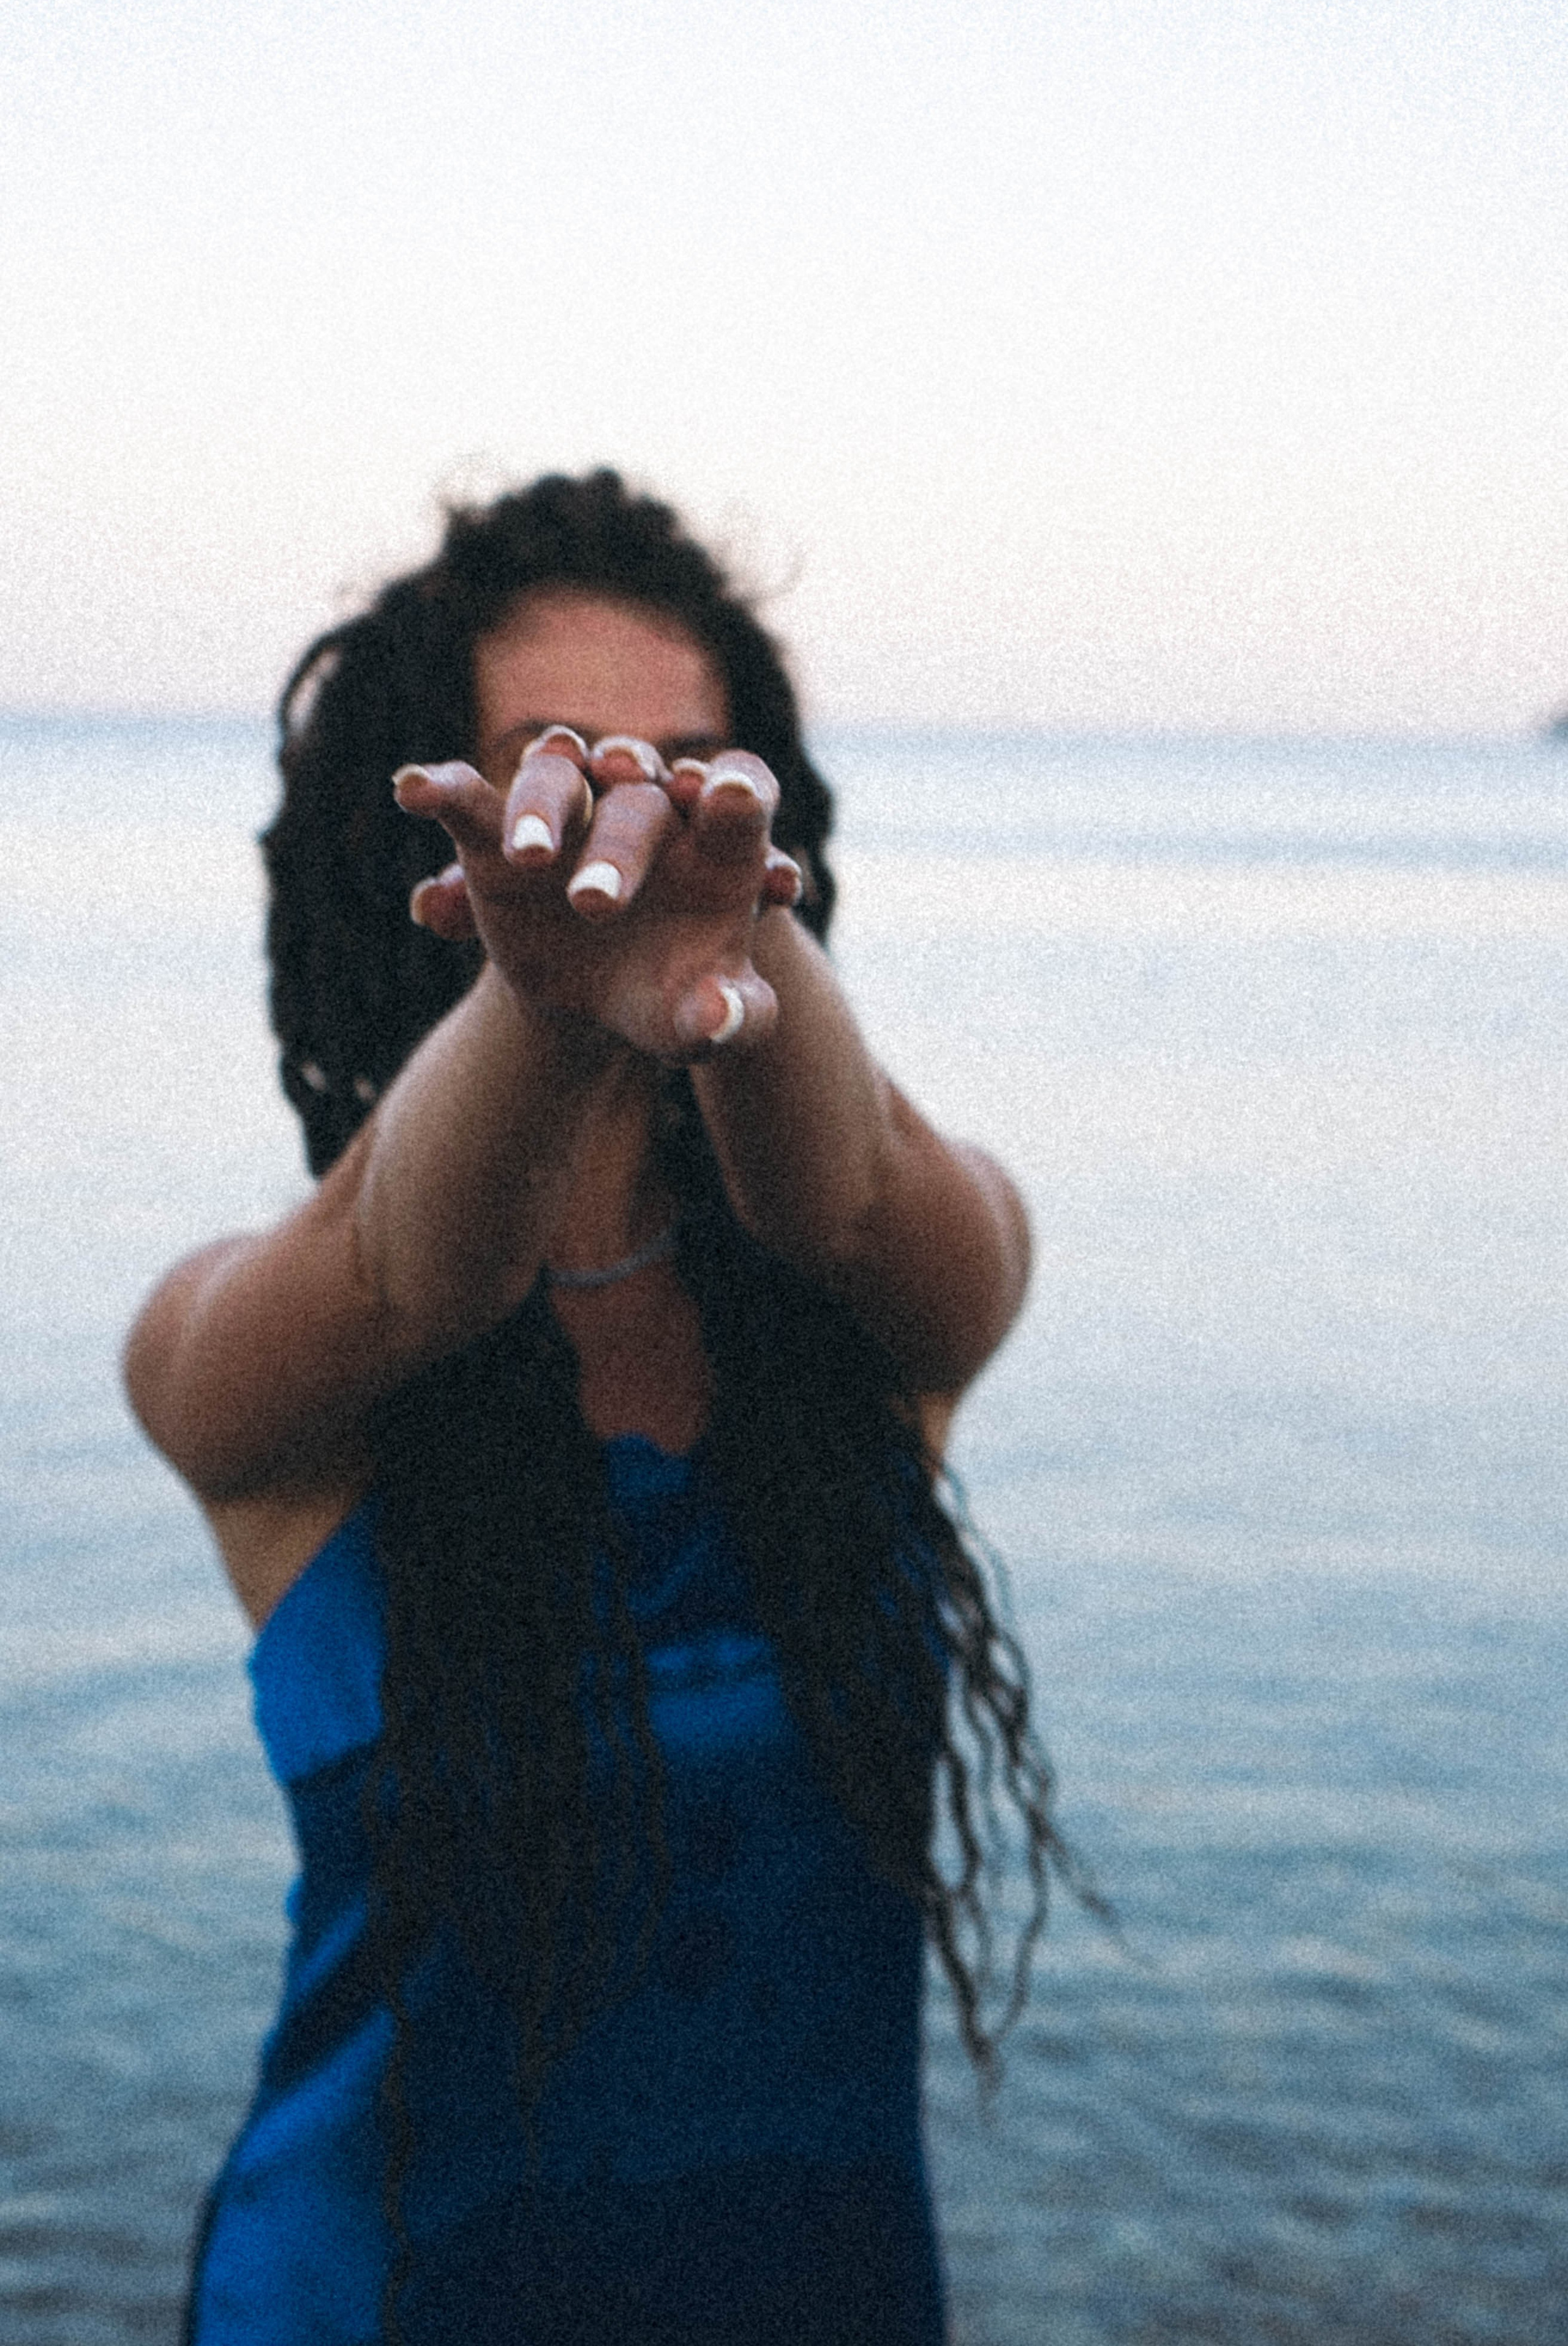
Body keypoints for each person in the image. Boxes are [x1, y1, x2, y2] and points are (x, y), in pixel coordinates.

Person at [125, 470, 1069, 2346]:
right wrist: (549, 991)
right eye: (559, 771)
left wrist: (730, 954)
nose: (624, 823)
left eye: (690, 773)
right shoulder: (243, 1347)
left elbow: (855, 1194)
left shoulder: (873, 1312)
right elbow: (419, 1268)